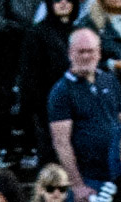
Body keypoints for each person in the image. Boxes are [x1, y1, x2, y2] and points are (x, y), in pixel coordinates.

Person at [50, 27, 121, 202]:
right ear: (70, 53)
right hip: (90, 180)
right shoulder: (61, 91)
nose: (86, 56)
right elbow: (61, 142)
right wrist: (77, 186)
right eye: (81, 51)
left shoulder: (110, 80)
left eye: (91, 51)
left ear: (99, 52)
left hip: (118, 175)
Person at [19, 0, 81, 157]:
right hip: (48, 106)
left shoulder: (80, 32)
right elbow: (30, 75)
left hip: (78, 105)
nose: (63, 3)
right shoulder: (37, 33)